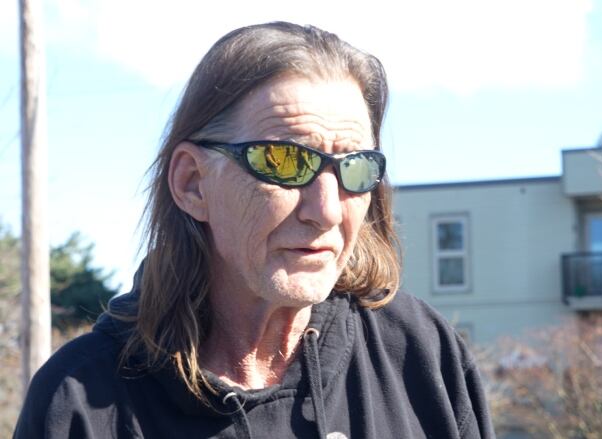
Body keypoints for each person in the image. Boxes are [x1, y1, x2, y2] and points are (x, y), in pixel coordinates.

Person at [14, 22, 495, 439]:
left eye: (356, 167)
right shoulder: (82, 400)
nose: (326, 211)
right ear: (192, 183)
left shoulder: (418, 352)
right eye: (286, 162)